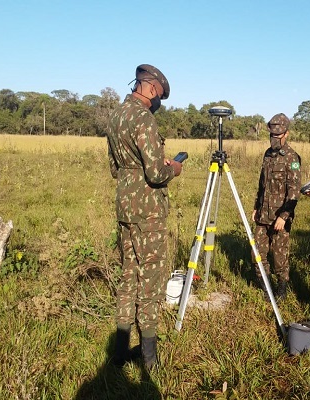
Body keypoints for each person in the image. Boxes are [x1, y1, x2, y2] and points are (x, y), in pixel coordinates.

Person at [106, 64, 182, 370]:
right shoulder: (143, 118)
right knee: (150, 279)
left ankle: (119, 351)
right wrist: (173, 168)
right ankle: (149, 357)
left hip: (125, 204)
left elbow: (115, 168)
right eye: (158, 96)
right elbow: (156, 172)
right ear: (150, 88)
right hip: (148, 209)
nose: (157, 103)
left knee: (128, 275)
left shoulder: (116, 115)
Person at [252, 113, 301, 301]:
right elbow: (261, 184)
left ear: (286, 134)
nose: (274, 139)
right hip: (263, 214)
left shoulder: (292, 158)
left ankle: (282, 287)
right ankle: (265, 285)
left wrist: (284, 216)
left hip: (280, 216)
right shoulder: (267, 154)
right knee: (257, 252)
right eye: (271, 135)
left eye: (278, 135)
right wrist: (256, 207)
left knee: (280, 256)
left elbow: (294, 192)